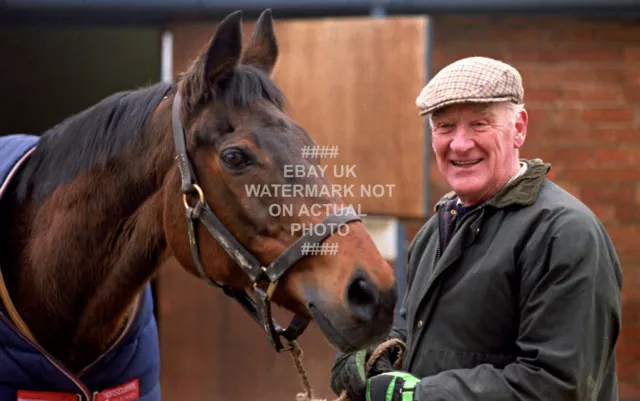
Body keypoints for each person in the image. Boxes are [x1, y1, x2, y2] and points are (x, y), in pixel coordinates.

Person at [329, 56, 623, 401]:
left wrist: (419, 396)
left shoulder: (563, 233)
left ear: (519, 128)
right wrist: (366, 362)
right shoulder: (437, 228)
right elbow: (409, 336)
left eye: (479, 124)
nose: (460, 144)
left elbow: (556, 385)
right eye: (444, 127)